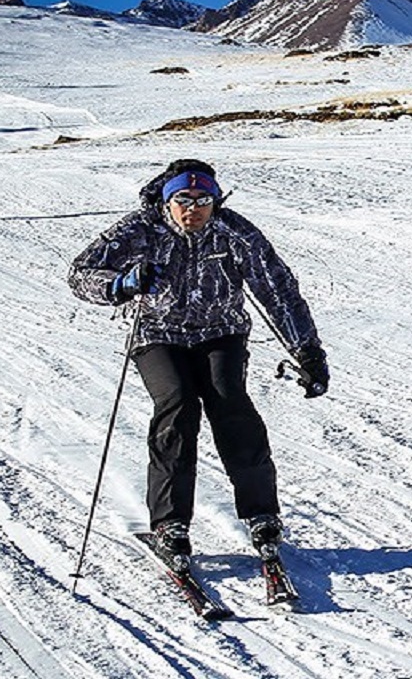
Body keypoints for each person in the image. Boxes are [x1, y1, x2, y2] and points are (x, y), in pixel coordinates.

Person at [68, 159, 330, 571]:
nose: (193, 209)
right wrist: (120, 285)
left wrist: (308, 351)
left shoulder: (234, 232)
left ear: (216, 200)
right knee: (178, 405)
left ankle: (262, 514)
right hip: (157, 335)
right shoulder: (140, 230)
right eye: (183, 200)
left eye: (204, 200)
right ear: (167, 201)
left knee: (232, 406)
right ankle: (170, 523)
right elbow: (80, 273)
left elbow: (277, 289)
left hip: (221, 332)